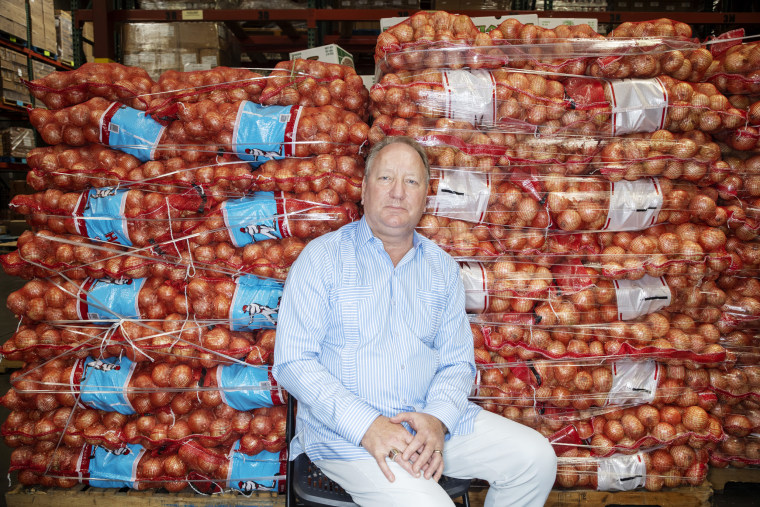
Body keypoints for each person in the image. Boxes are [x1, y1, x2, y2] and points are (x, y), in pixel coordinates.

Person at [273, 136, 557, 506]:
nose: (397, 192)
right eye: (385, 178)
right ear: (363, 189)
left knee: (534, 459)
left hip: (426, 424)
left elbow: (457, 363)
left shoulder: (441, 268)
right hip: (349, 435)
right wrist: (367, 426)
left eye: (411, 182)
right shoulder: (321, 259)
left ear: (426, 196)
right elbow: (293, 363)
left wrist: (437, 420)